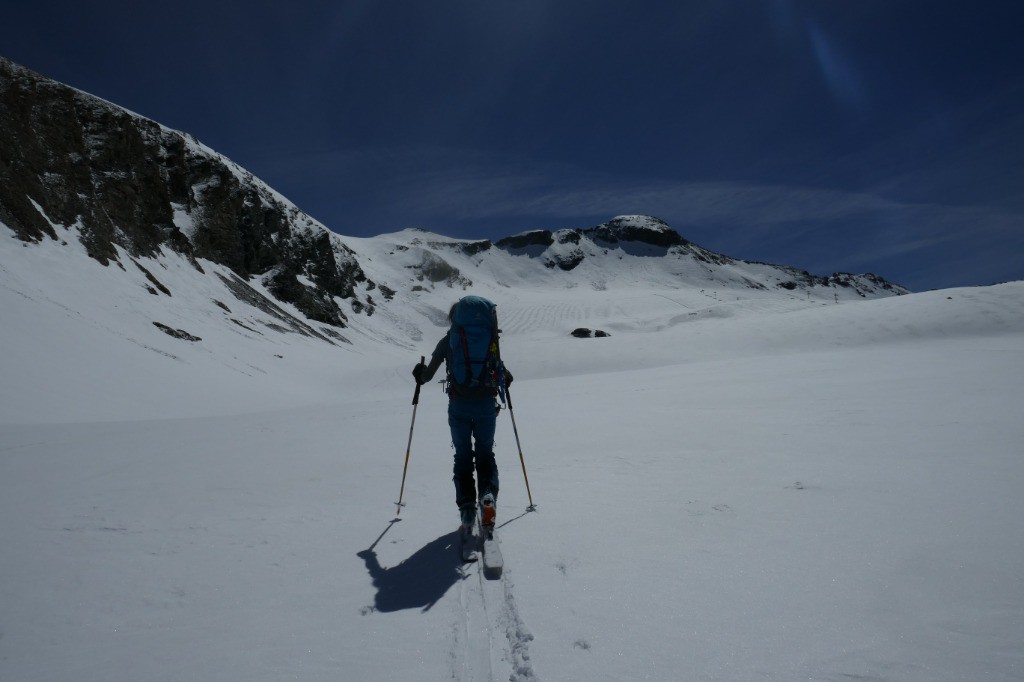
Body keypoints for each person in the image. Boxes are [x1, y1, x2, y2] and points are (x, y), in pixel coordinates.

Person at [412, 300, 512, 531]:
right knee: (486, 454)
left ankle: (467, 506)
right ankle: (488, 497)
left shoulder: (448, 341)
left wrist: (419, 373)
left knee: (463, 456)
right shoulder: (490, 339)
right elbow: (500, 371)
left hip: (459, 406)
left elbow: (426, 377)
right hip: (486, 405)